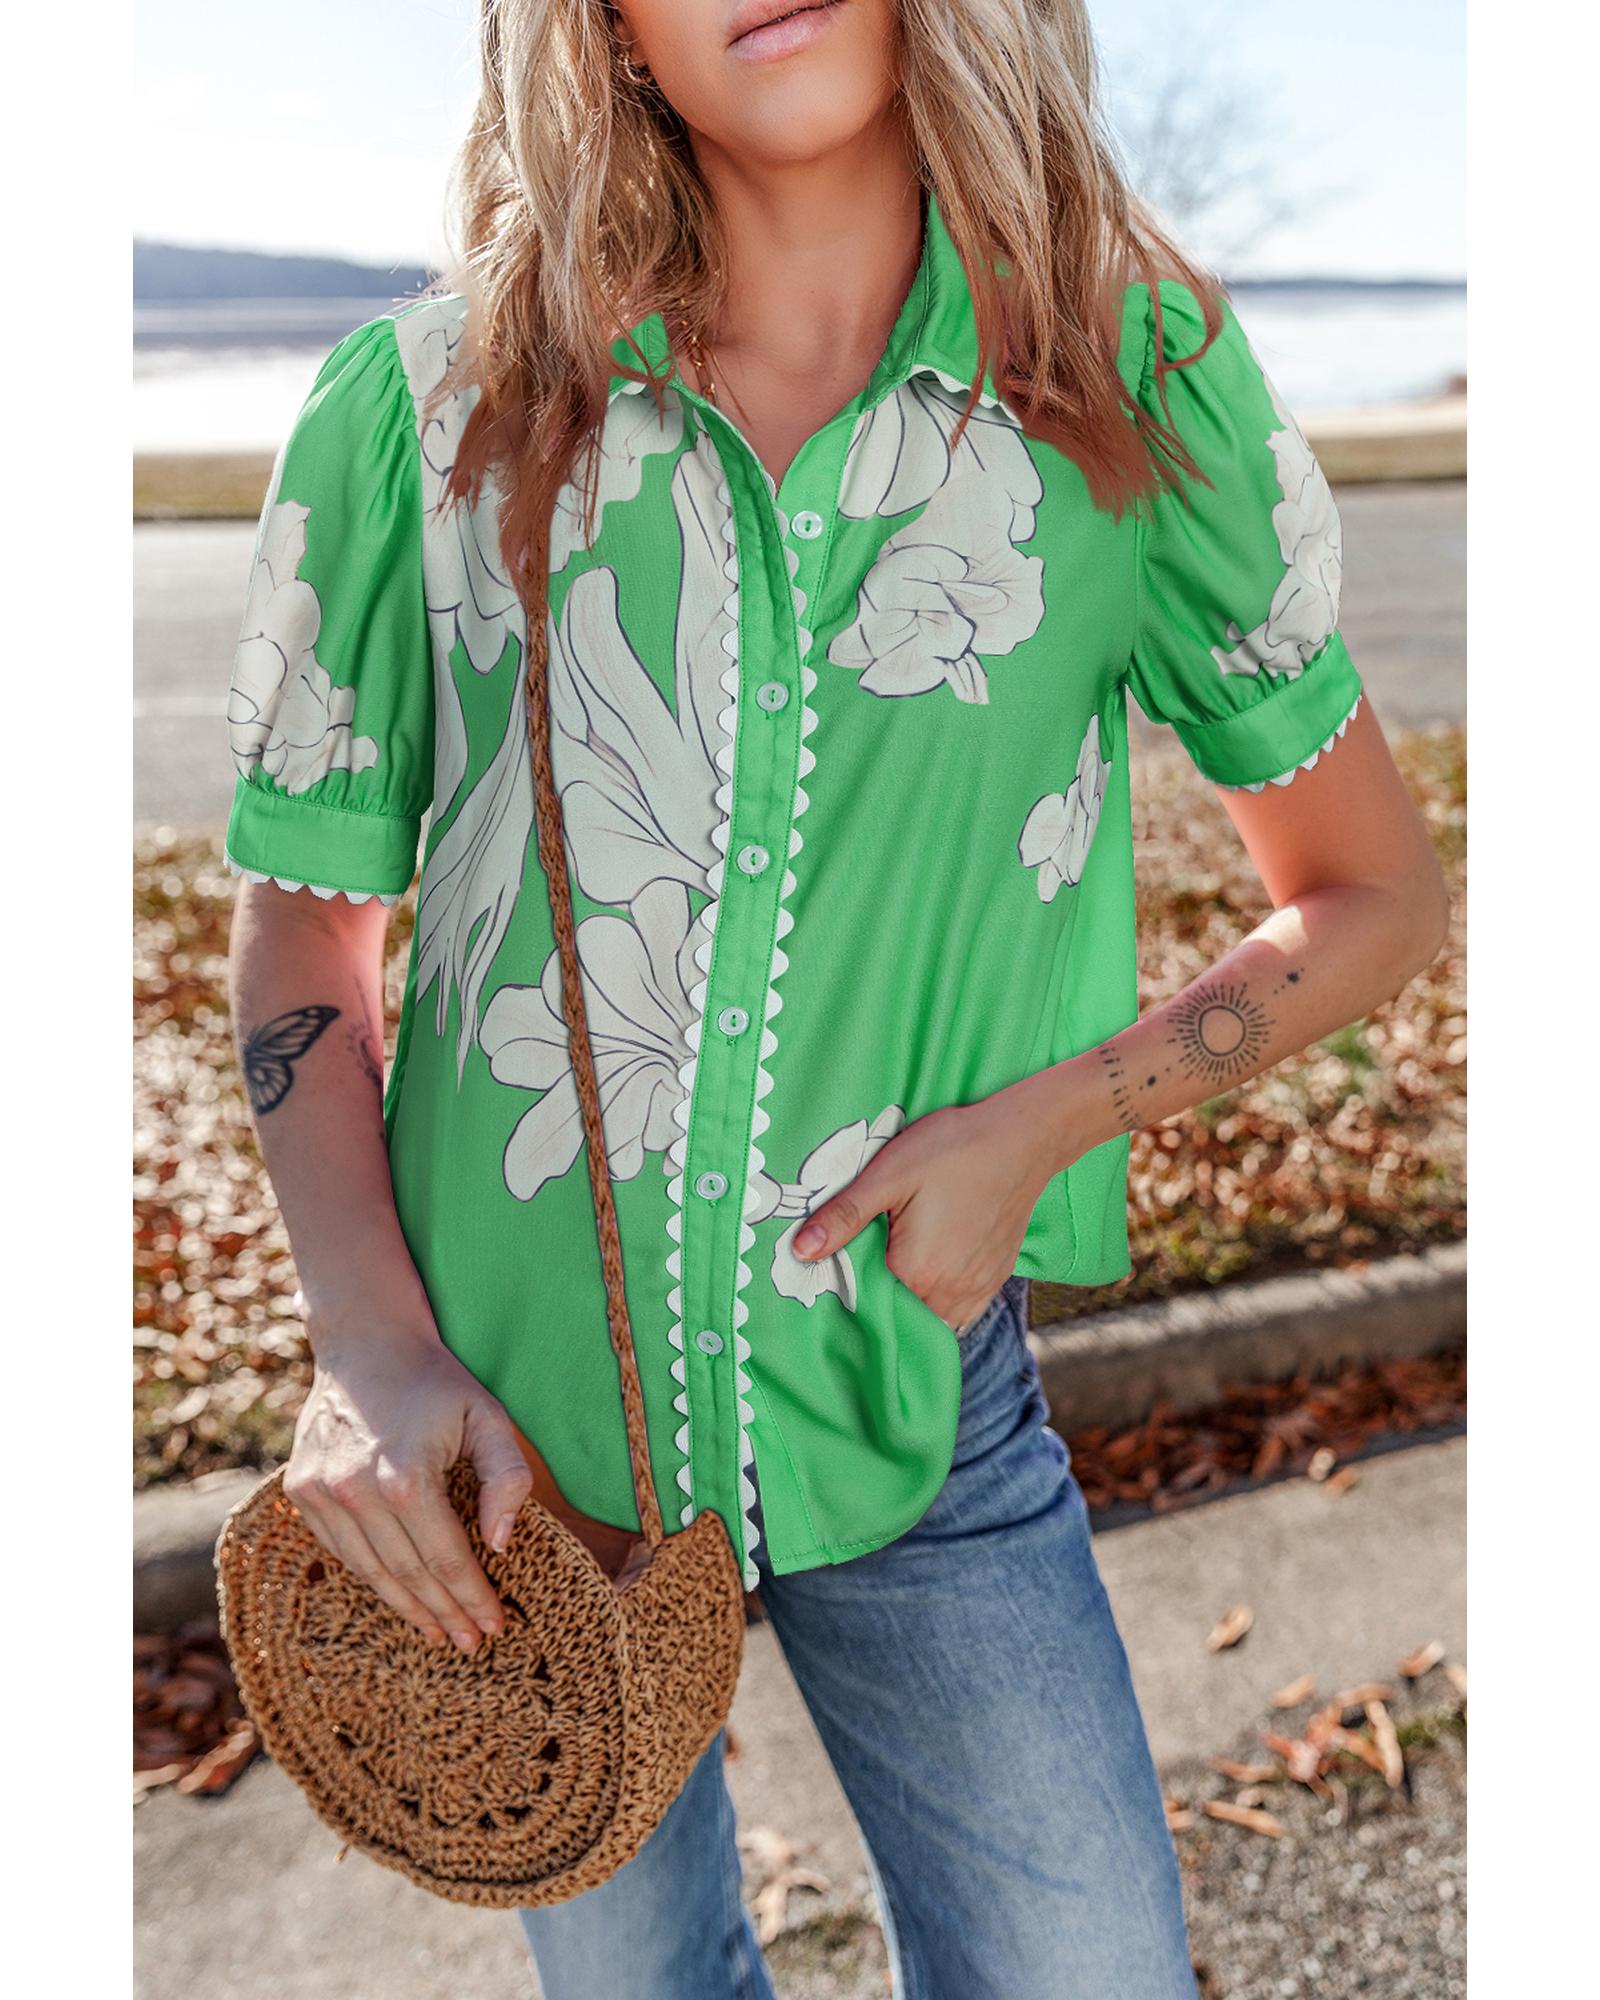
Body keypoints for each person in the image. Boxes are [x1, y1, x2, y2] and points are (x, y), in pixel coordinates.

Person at [222, 2, 1450, 1993]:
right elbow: (305, 938)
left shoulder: (1128, 384)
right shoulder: (425, 411)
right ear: (606, 29)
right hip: (514, 1464)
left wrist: (1041, 1128)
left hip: (920, 1397)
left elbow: (1372, 898)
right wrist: (368, 1346)